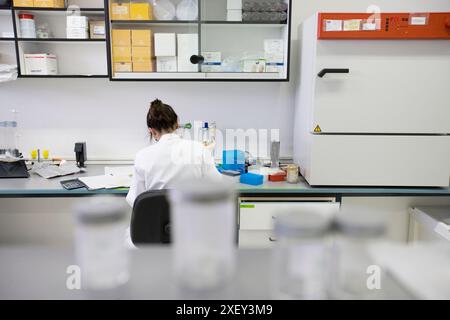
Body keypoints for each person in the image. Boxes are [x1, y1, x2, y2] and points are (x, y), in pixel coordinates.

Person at [126, 99, 221, 207]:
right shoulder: (200, 149)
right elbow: (218, 186)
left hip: (154, 222)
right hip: (192, 220)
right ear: (177, 123)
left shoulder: (142, 156)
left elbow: (135, 200)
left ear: (151, 131)